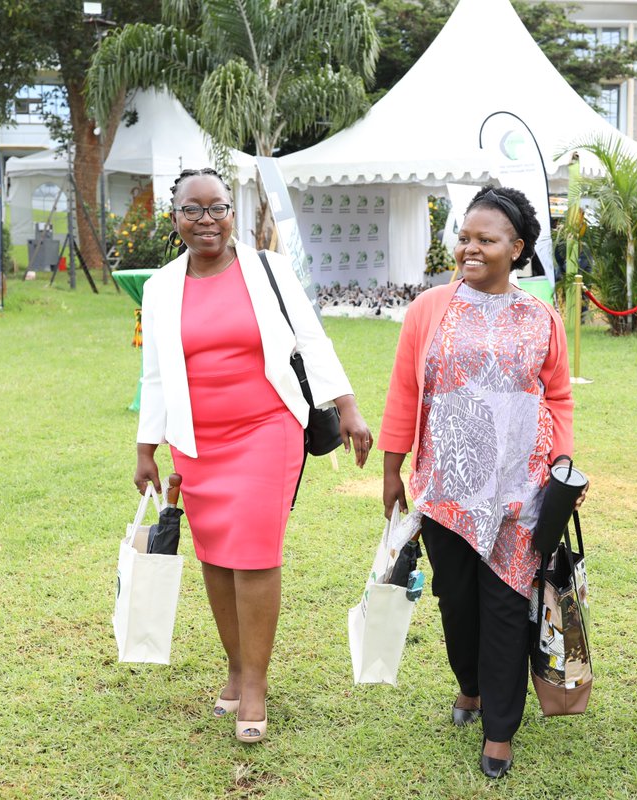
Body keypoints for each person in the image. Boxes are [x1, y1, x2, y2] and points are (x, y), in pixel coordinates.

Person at [133, 167, 372, 744]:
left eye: (218, 208)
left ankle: (257, 684)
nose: (207, 220)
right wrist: (146, 447)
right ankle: (236, 669)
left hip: (268, 428)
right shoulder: (160, 286)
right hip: (196, 440)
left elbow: (311, 340)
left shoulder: (268, 269)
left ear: (232, 214)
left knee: (256, 551)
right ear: (175, 219)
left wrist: (349, 407)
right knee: (215, 553)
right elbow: (157, 373)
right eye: (194, 210)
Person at [378, 186, 579, 780]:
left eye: (485, 240)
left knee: (505, 604)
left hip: (519, 490)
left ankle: (499, 730)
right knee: (457, 601)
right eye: (464, 237)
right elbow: (403, 391)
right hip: (444, 488)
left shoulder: (541, 317)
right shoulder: (429, 309)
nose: (469, 248)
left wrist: (561, 469)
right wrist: (392, 469)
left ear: (516, 249)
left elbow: (559, 397)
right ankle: (469, 685)